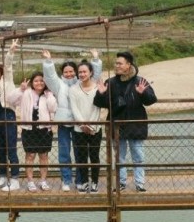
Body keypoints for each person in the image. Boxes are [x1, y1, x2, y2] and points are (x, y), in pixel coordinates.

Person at [93, 51, 157, 192]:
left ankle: (139, 183)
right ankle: (121, 182)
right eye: (116, 63)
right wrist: (102, 93)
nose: (117, 66)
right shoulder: (111, 82)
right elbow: (99, 103)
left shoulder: (139, 81)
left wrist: (143, 93)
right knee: (119, 157)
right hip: (117, 125)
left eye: (120, 63)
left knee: (138, 156)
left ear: (128, 65)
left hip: (136, 123)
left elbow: (151, 100)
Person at [42, 49, 102, 192]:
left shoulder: (80, 83)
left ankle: (81, 180)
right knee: (64, 152)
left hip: (78, 124)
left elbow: (95, 74)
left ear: (76, 72)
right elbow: (50, 77)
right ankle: (66, 180)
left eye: (71, 71)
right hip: (64, 123)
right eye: (66, 72)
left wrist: (95, 59)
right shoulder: (59, 85)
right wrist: (49, 61)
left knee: (79, 153)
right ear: (62, 73)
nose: (69, 74)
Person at [7, 71, 57, 192]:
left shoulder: (48, 94)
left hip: (44, 129)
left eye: (41, 80)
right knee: (30, 155)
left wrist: (50, 95)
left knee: (44, 155)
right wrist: (20, 89)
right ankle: (30, 181)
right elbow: (10, 100)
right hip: (28, 129)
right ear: (32, 82)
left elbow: (53, 108)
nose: (39, 83)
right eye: (36, 81)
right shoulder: (26, 93)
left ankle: (43, 180)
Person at [0, 39, 21, 191]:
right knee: (0, 149)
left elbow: (8, 66)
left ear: (1, 73)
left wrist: (11, 51)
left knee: (10, 148)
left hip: (8, 116)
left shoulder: (7, 81)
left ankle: (15, 179)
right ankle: (2, 176)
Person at [69, 60, 102, 194]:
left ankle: (94, 182)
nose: (82, 74)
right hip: (79, 129)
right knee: (81, 157)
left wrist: (91, 126)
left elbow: (98, 109)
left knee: (94, 156)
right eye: (80, 72)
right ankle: (83, 182)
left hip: (95, 129)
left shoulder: (98, 88)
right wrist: (83, 124)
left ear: (91, 73)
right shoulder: (73, 89)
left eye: (84, 71)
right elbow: (74, 109)